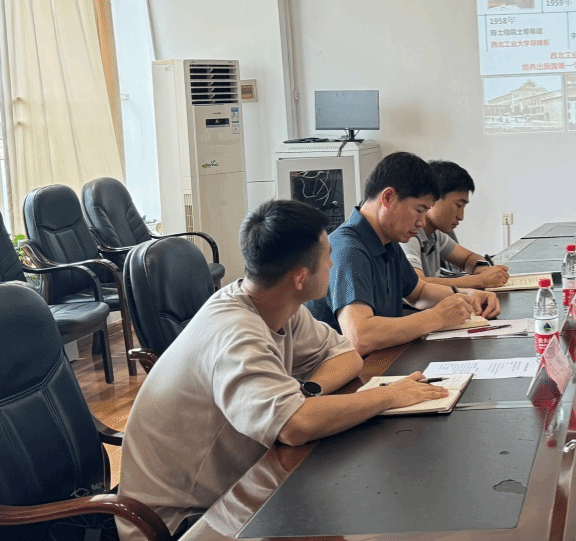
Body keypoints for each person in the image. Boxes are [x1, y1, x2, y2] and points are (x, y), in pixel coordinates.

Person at [117, 200, 450, 541]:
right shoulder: (236, 334)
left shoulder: (277, 305)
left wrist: (308, 393)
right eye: (327, 257)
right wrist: (388, 397)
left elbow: (347, 355)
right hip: (182, 523)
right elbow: (295, 426)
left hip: (232, 486)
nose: (332, 263)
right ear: (300, 277)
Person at [306, 152, 498, 355]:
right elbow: (360, 337)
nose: (422, 222)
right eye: (419, 210)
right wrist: (437, 317)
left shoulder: (387, 241)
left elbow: (419, 293)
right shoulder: (349, 249)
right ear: (388, 197)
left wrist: (469, 296)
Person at [404, 160, 511, 292]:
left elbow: (468, 258)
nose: (461, 216)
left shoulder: (435, 235)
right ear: (433, 198)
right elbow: (416, 284)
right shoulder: (409, 236)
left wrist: (482, 269)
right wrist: (480, 280)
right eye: (458, 205)